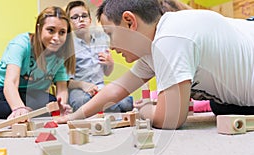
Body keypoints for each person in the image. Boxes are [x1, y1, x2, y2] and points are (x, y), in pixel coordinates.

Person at [57, 0, 254, 129]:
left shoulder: (169, 37)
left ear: (129, 21)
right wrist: (77, 116)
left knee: (222, 108)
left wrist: (145, 110)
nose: (111, 45)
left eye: (110, 34)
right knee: (221, 107)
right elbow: (117, 89)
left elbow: (170, 119)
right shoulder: (153, 46)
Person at [0, 6, 75, 120]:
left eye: (62, 32)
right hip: (1, 89)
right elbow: (11, 82)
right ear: (39, 29)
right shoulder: (21, 44)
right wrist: (18, 108)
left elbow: (62, 88)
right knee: (9, 109)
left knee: (50, 104)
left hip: (30, 94)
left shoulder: (60, 55)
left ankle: (25, 107)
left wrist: (61, 105)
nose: (56, 37)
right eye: (51, 30)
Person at [65, 0, 133, 112]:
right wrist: (83, 85)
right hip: (79, 89)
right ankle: (106, 107)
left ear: (90, 20)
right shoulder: (68, 46)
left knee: (127, 103)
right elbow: (65, 82)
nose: (81, 19)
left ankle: (100, 106)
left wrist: (110, 64)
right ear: (69, 23)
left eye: (84, 16)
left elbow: (106, 73)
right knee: (80, 102)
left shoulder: (101, 41)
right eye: (75, 17)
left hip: (99, 85)